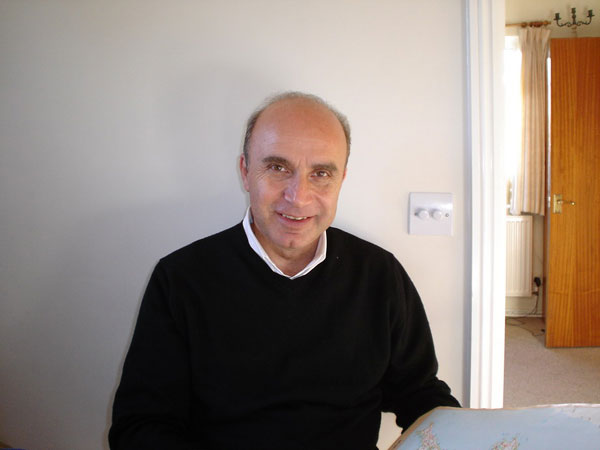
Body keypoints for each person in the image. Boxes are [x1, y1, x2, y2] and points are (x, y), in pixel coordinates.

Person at [109, 92, 460, 450]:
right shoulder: (180, 279)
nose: (298, 196)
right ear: (246, 172)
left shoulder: (380, 275)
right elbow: (139, 427)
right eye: (278, 168)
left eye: (320, 173)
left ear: (341, 180)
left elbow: (420, 394)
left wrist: (467, 436)